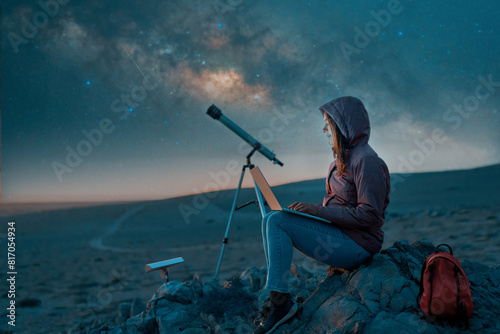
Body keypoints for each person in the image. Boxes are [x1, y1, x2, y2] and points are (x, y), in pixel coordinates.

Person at [253, 96, 391, 334]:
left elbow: (370, 215)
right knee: (271, 218)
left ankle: (280, 303)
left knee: (277, 221)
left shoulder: (367, 161)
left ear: (344, 124)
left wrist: (318, 211)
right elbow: (338, 205)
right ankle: (277, 299)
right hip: (339, 234)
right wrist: (310, 213)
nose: (324, 129)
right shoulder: (338, 162)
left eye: (328, 122)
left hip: (359, 244)